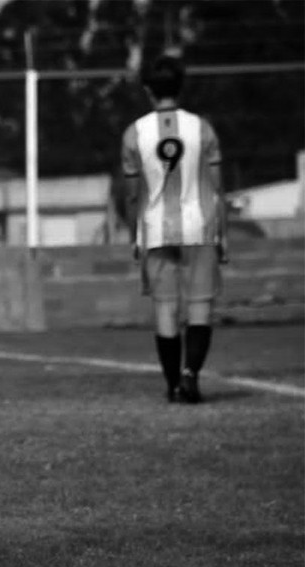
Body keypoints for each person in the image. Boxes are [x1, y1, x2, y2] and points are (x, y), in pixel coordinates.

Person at [122, 54, 227, 404]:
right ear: (180, 87)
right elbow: (217, 187)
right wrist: (222, 231)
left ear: (148, 89)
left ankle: (171, 386)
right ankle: (190, 375)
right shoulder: (203, 128)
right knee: (199, 307)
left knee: (166, 308)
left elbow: (133, 193)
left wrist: (135, 232)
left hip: (156, 231)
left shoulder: (134, 133)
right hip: (201, 226)